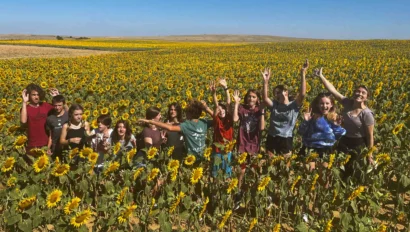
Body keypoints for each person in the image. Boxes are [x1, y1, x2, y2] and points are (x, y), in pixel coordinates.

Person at [314, 68, 375, 166]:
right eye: (357, 91)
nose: (359, 94)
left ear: (367, 97)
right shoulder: (348, 103)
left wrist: (369, 154)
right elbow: (333, 90)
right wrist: (321, 76)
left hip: (358, 144)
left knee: (353, 169)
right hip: (344, 141)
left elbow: (370, 136)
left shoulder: (367, 114)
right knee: (339, 167)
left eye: (363, 93)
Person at [262, 60, 308, 157]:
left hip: (286, 139)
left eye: (279, 92)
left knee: (285, 167)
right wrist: (265, 82)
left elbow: (302, 94)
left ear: (286, 92)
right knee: (270, 163)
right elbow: (265, 98)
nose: (277, 95)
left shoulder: (293, 105)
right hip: (272, 137)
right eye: (275, 93)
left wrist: (303, 73)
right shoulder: (275, 105)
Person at [138, 100, 212, 160]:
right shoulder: (204, 122)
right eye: (171, 109)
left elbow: (170, 128)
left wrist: (150, 121)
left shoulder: (186, 125)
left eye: (186, 112)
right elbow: (219, 120)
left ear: (189, 113)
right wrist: (206, 108)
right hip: (203, 156)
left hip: (191, 158)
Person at [232, 88, 265, 207]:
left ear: (257, 100)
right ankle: (238, 194)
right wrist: (236, 103)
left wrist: (262, 112)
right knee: (241, 171)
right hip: (242, 144)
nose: (251, 99)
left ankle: (253, 196)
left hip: (254, 145)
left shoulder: (259, 110)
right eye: (249, 96)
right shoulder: (242, 108)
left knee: (254, 171)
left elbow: (262, 128)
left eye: (254, 97)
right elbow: (235, 119)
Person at [298, 93, 346, 170]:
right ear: (317, 105)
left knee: (324, 174)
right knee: (309, 172)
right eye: (321, 103)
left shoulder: (334, 117)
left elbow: (340, 135)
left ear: (331, 105)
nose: (324, 106)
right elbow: (301, 131)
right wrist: (306, 121)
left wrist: (336, 125)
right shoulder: (312, 116)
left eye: (327, 103)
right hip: (311, 148)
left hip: (327, 149)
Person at [203, 79, 234, 177]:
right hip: (217, 150)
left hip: (227, 150)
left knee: (227, 172)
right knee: (216, 172)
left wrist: (226, 88)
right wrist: (214, 94)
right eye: (219, 110)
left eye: (223, 109)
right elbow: (216, 106)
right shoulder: (217, 120)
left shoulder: (230, 118)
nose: (221, 111)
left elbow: (228, 103)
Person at [20, 84, 61, 156]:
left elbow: (62, 111)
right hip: (32, 144)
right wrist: (24, 102)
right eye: (34, 95)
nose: (36, 97)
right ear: (28, 95)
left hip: (47, 144)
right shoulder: (25, 108)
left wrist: (57, 98)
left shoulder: (46, 106)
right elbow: (23, 121)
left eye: (38, 95)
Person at [46, 95, 69, 160]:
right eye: (55, 105)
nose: (57, 107)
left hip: (67, 147)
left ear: (63, 105)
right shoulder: (50, 118)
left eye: (59, 105)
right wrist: (48, 148)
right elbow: (50, 136)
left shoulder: (68, 116)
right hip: (55, 147)